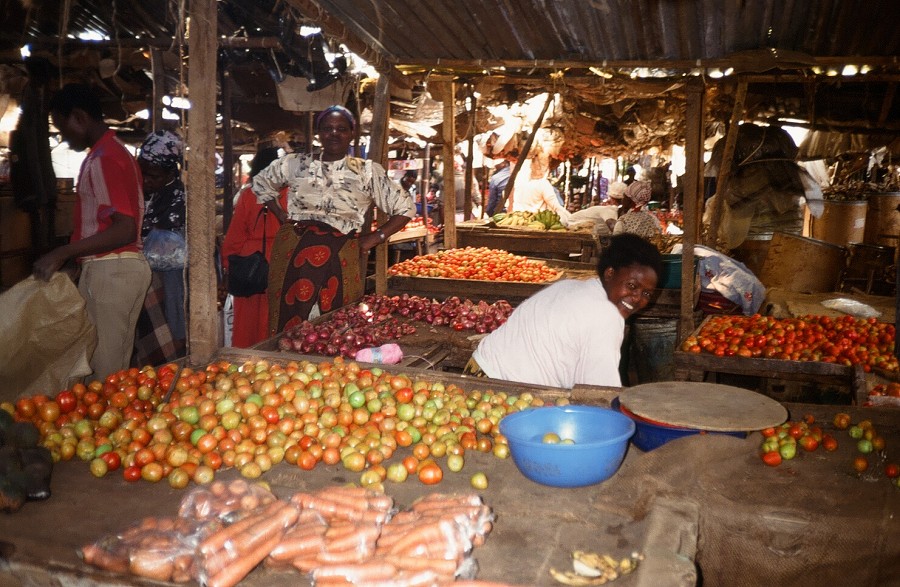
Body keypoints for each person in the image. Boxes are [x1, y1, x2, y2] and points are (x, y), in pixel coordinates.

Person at [252, 105, 415, 334]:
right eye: (327, 128)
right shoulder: (295, 163)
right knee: (289, 321)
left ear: (352, 133)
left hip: (341, 252)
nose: (334, 133)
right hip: (293, 251)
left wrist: (374, 238)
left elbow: (405, 208)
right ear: (319, 133)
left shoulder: (366, 171)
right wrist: (281, 215)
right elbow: (260, 183)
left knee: (337, 321)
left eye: (341, 128)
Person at [33, 83, 151, 381]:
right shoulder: (114, 153)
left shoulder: (104, 159)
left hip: (112, 271)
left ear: (79, 117)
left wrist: (63, 252)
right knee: (112, 368)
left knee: (104, 374)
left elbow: (124, 229)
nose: (63, 136)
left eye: (63, 128)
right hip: (117, 269)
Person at [467, 233, 661, 389]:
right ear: (610, 274)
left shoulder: (569, 286)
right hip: (502, 391)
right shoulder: (606, 315)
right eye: (632, 285)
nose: (637, 298)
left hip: (474, 372)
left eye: (646, 293)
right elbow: (599, 393)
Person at [131, 130, 187, 365]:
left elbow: (175, 248)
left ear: (170, 172)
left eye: (153, 176)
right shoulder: (144, 193)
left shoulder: (179, 197)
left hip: (168, 278)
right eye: (143, 174)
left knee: (168, 329)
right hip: (140, 273)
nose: (147, 180)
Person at [221, 146, 285, 347]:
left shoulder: (249, 195)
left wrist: (228, 265)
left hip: (250, 267)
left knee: (247, 324)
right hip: (281, 263)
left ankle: (246, 365)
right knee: (276, 321)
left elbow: (235, 237)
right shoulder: (292, 195)